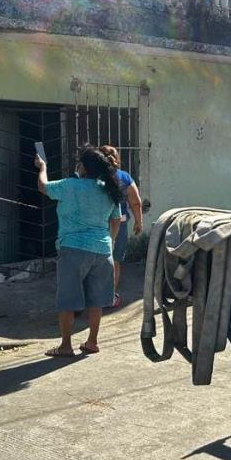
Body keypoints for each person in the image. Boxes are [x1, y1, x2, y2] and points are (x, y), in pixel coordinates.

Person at [37, 145, 123, 357]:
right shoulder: (108, 188)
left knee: (67, 300)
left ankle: (66, 345)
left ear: (83, 167)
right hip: (102, 250)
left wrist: (42, 167)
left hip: (73, 248)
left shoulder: (70, 186)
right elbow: (115, 221)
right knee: (97, 300)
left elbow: (43, 186)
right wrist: (110, 242)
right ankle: (92, 342)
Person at [99, 145, 143, 308]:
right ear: (116, 159)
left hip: (97, 224)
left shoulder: (93, 178)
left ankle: (92, 296)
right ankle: (109, 297)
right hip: (120, 224)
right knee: (115, 261)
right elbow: (136, 202)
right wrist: (139, 222)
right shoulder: (124, 177)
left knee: (94, 261)